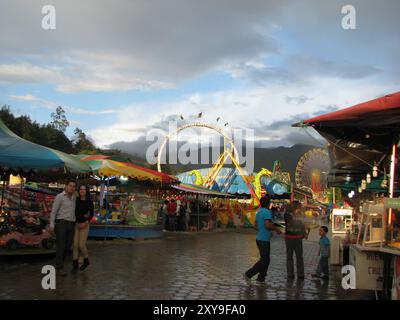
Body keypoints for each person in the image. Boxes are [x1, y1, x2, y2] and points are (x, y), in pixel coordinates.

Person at [244, 195, 282, 286]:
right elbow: (268, 225)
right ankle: (249, 274)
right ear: (268, 204)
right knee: (264, 260)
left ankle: (261, 278)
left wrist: (264, 231)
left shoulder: (259, 212)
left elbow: (255, 225)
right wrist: (276, 229)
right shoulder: (267, 212)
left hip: (259, 238)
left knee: (266, 259)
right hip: (264, 240)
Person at [50, 180, 77, 276]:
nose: (72, 188)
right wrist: (52, 225)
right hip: (61, 223)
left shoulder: (74, 197)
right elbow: (53, 212)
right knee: (61, 245)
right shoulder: (60, 197)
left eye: (73, 186)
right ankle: (60, 267)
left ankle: (60, 263)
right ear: (66, 186)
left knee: (68, 246)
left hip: (71, 224)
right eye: (70, 185)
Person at [72, 185, 94, 272]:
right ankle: (75, 266)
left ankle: (86, 260)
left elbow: (91, 214)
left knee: (81, 245)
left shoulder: (89, 201)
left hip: (85, 225)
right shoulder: (76, 200)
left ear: (86, 191)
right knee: (75, 246)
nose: (82, 191)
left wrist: (87, 221)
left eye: (84, 189)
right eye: (80, 189)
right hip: (76, 224)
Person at [285, 201, 308, 280]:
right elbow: (290, 222)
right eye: (299, 207)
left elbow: (302, 224)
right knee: (289, 256)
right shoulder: (287, 214)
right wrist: (296, 214)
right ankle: (290, 274)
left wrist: (305, 233)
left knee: (299, 257)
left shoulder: (300, 214)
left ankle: (300, 274)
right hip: (289, 237)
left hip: (298, 237)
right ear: (295, 207)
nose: (300, 208)